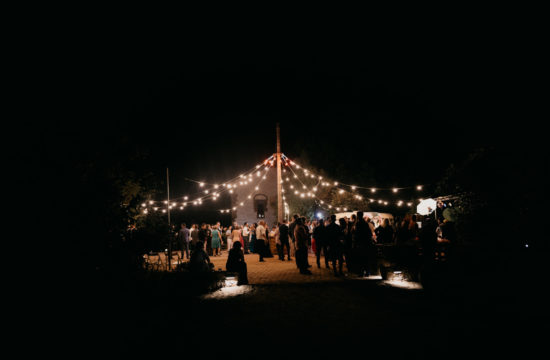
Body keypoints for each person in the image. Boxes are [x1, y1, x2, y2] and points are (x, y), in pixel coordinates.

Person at [353, 211, 376, 277]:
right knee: (366, 257)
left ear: (358, 215)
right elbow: (369, 233)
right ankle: (367, 272)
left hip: (361, 242)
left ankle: (361, 272)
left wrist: (355, 242)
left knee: (361, 257)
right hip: (366, 242)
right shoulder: (365, 223)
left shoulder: (358, 223)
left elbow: (357, 234)